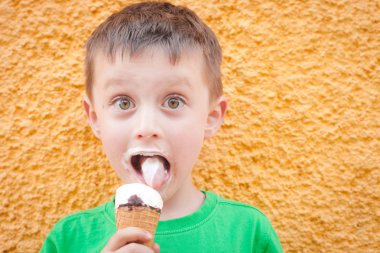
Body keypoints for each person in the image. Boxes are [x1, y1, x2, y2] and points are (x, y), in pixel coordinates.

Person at [40, 2, 283, 252]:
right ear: (94, 118)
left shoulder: (247, 232)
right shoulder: (68, 239)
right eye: (123, 102)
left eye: (173, 101)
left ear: (210, 117)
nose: (147, 127)